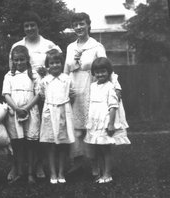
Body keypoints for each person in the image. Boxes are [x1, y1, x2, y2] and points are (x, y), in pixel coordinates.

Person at [9, 11, 62, 179]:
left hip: (42, 94)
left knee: (37, 132)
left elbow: (58, 66)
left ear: (38, 26)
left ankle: (38, 165)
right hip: (21, 95)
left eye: (33, 25)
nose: (30, 28)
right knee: (17, 135)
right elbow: (11, 69)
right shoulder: (17, 45)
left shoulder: (49, 45)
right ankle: (16, 167)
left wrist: (46, 71)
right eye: (26, 26)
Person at [63, 12, 107, 176]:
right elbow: (66, 71)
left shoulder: (96, 46)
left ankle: (96, 165)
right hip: (74, 91)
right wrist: (66, 90)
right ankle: (77, 162)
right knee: (75, 130)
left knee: (91, 128)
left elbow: (105, 68)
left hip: (90, 89)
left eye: (82, 23)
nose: (78, 27)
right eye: (75, 24)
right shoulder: (69, 47)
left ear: (88, 25)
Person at [84, 57, 131, 183]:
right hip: (95, 121)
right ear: (94, 73)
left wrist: (110, 124)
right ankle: (100, 172)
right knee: (97, 148)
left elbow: (113, 107)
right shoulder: (93, 86)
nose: (100, 74)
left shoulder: (110, 87)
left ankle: (108, 174)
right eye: (97, 72)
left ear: (108, 72)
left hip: (105, 121)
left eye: (103, 71)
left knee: (106, 149)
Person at [3, 45, 41, 184]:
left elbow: (38, 94)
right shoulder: (9, 75)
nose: (19, 63)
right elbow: (6, 94)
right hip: (14, 113)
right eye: (16, 60)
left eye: (22, 59)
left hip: (31, 111)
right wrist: (17, 109)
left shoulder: (34, 74)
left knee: (31, 143)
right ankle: (19, 172)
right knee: (17, 143)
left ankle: (31, 172)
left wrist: (26, 108)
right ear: (12, 60)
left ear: (27, 59)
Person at [39, 49, 75, 184]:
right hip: (49, 113)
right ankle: (53, 173)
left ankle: (61, 172)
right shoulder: (45, 81)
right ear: (48, 65)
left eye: (58, 62)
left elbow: (72, 94)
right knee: (51, 145)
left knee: (62, 145)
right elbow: (42, 95)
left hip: (63, 113)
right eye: (52, 63)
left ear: (61, 63)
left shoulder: (67, 79)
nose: (55, 65)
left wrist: (64, 108)